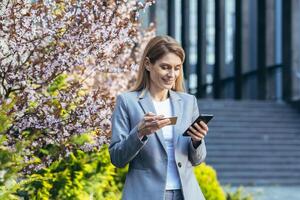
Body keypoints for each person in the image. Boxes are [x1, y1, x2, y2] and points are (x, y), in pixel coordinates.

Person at [109, 35, 208, 200]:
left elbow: (197, 160)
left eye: (177, 68)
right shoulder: (128, 102)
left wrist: (197, 141)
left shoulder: (188, 102)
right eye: (165, 67)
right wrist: (139, 132)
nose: (172, 74)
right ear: (148, 64)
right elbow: (117, 159)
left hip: (187, 194)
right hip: (145, 194)